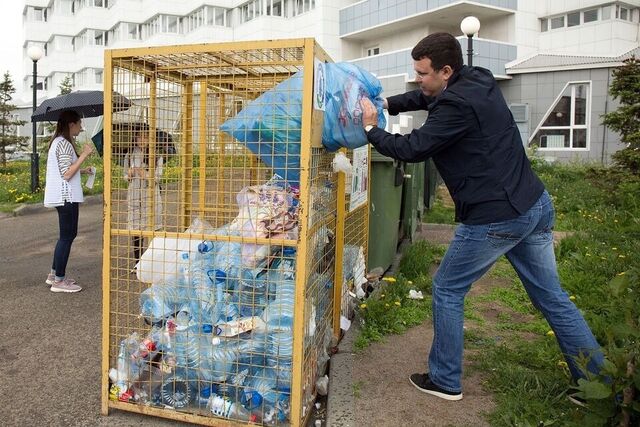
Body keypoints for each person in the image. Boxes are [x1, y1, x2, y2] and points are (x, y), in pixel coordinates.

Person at [360, 32, 603, 401]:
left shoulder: (455, 106)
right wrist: (387, 103)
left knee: (447, 288)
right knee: (552, 298)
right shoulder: (478, 77)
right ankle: (599, 385)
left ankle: (444, 380)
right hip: (534, 204)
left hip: (497, 216)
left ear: (445, 70)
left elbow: (414, 148)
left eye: (422, 73)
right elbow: (424, 96)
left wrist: (370, 128)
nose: (418, 79)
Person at [44, 110, 94, 293]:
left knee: (64, 237)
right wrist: (84, 155)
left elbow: (64, 170)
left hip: (62, 196)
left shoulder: (58, 141)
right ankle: (59, 281)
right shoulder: (63, 143)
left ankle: (54, 275)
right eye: (79, 124)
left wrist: (83, 170)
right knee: (67, 237)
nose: (81, 128)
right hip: (67, 197)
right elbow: (66, 174)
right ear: (71, 124)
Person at [124, 129, 164, 264]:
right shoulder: (129, 155)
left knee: (152, 228)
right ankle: (138, 261)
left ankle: (151, 261)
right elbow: (124, 176)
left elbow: (158, 177)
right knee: (136, 229)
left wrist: (145, 174)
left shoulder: (156, 155)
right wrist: (129, 174)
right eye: (139, 137)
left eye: (145, 137)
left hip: (150, 197)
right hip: (134, 196)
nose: (142, 140)